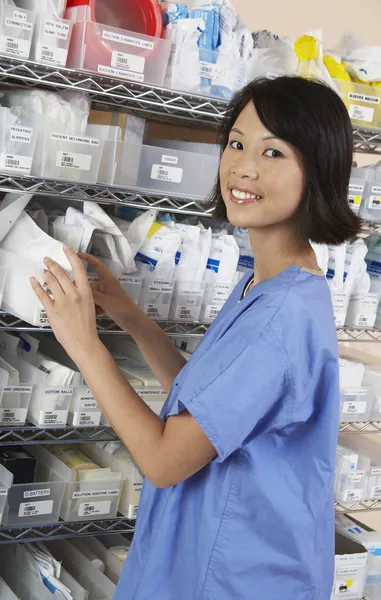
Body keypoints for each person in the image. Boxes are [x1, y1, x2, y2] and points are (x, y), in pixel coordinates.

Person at [31, 76, 361, 600]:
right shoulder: (272, 282)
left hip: (236, 577)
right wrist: (129, 315)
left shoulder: (279, 319)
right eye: (236, 143)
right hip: (216, 559)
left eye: (273, 151)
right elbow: (203, 397)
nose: (243, 166)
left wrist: (83, 344)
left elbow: (165, 462)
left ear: (318, 172)